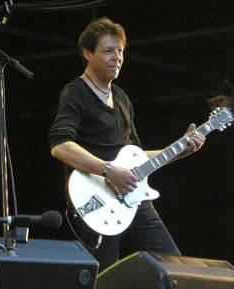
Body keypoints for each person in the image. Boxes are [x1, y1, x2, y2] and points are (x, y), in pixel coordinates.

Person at [48, 17, 205, 271]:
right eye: (108, 51)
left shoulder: (121, 97)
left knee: (174, 270)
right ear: (88, 54)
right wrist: (109, 171)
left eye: (120, 51)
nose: (117, 57)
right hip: (98, 201)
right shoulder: (75, 93)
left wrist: (181, 149)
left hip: (134, 198)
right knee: (104, 277)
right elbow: (61, 146)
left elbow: (138, 156)